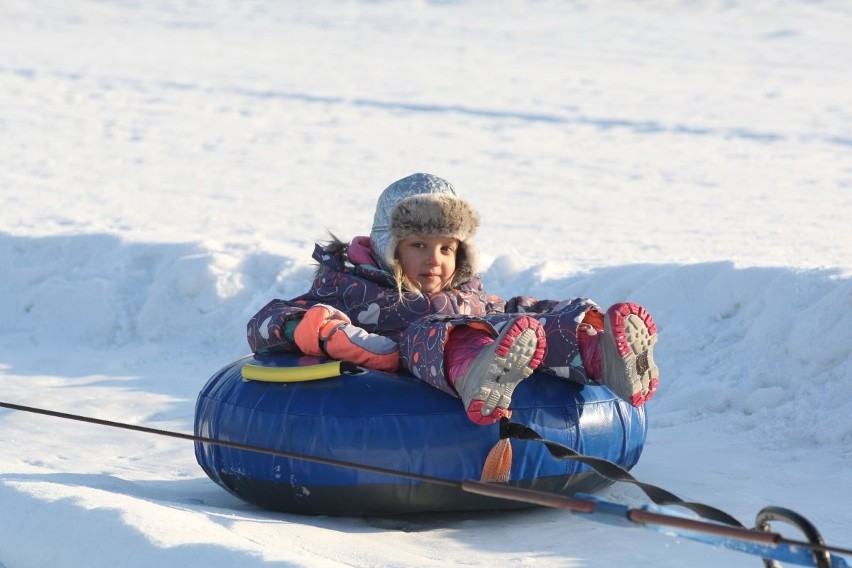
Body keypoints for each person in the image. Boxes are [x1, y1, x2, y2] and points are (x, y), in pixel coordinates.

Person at [246, 173, 659, 425]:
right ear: (389, 248)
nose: (435, 260)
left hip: (490, 337)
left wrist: (576, 318)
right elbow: (269, 320)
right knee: (429, 334)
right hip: (427, 357)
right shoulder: (350, 289)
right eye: (419, 245)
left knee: (525, 322)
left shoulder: (466, 294)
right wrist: (329, 332)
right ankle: (477, 372)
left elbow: (512, 311)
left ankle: (601, 354)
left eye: (447, 249)